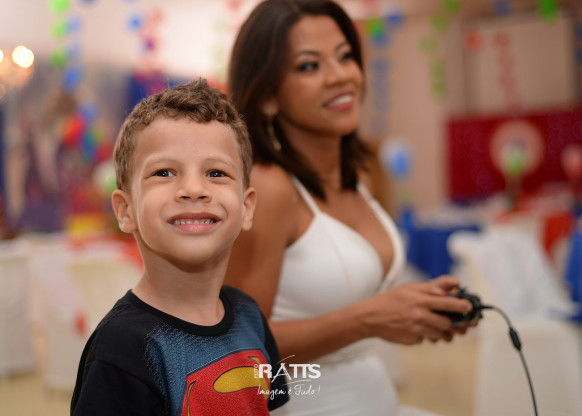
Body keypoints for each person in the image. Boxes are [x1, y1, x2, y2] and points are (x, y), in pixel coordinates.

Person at [225, 1, 475, 415]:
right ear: (268, 95)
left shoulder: (355, 175)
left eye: (344, 56)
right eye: (309, 66)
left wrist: (416, 312)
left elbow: (346, 303)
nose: (340, 75)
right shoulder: (268, 189)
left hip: (377, 397)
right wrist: (369, 320)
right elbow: (235, 352)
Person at [71, 79, 289, 415]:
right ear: (126, 211)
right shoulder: (121, 348)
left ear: (246, 208)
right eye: (164, 172)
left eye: (216, 172)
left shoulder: (250, 316)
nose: (193, 188)